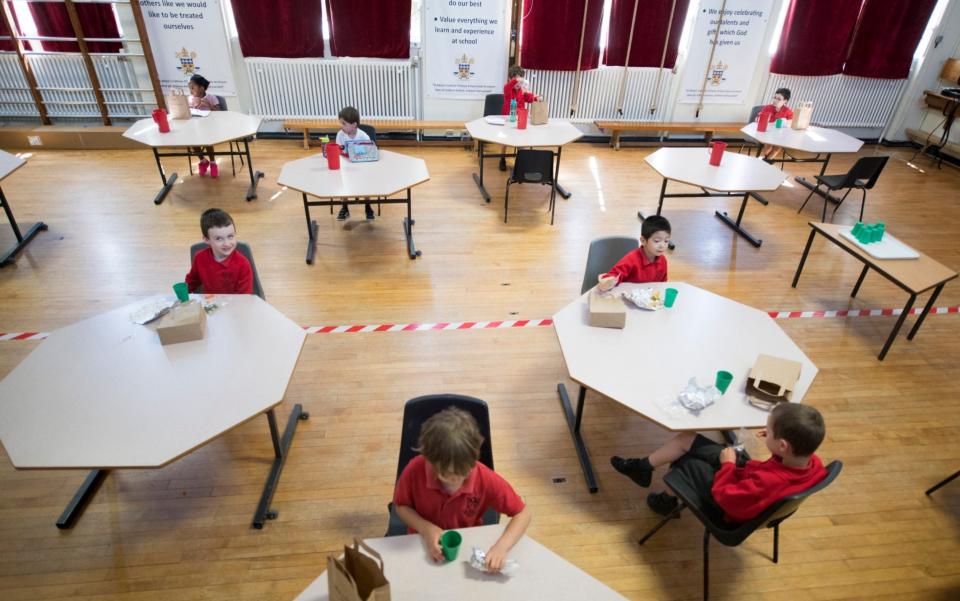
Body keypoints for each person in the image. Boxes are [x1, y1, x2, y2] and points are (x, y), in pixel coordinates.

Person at [611, 403, 827, 522]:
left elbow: (727, 498)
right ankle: (643, 467)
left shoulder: (768, 481)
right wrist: (774, 446)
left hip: (727, 502)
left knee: (683, 460)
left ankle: (665, 502)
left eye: (768, 432)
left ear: (782, 445)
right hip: (747, 477)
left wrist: (728, 466)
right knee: (688, 438)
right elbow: (781, 470)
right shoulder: (811, 462)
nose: (765, 433)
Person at [393, 407, 532, 573]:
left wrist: (500, 548)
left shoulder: (484, 477)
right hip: (420, 545)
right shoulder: (414, 470)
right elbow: (401, 507)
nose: (457, 481)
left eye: (464, 472)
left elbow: (523, 514)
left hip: (465, 549)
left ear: (474, 458)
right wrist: (426, 529)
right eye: (449, 474)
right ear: (429, 460)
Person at [185, 208, 253, 295]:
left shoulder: (243, 265)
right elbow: (192, 282)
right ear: (206, 240)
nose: (227, 243)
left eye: (230, 236)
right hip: (211, 304)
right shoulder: (199, 258)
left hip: (235, 306)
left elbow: (245, 297)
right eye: (219, 239)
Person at [597, 216, 671, 292]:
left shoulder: (663, 261)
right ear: (643, 240)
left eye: (666, 241)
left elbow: (662, 284)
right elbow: (612, 276)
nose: (662, 245)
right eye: (657, 241)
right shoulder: (631, 259)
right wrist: (607, 282)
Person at [335, 106, 374, 221]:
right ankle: (344, 207)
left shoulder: (363, 136)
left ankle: (368, 206)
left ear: (354, 125)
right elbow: (338, 151)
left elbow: (369, 151)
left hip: (361, 167)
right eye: (341, 123)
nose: (341, 127)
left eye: (344, 124)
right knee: (343, 184)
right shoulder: (340, 135)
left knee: (366, 184)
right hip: (346, 167)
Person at [498, 65, 541, 171]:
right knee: (505, 140)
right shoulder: (507, 88)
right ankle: (502, 158)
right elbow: (510, 85)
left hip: (520, 119)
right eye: (516, 80)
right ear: (510, 79)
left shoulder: (522, 90)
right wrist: (516, 80)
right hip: (507, 119)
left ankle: (521, 161)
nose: (518, 84)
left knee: (521, 140)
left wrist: (536, 97)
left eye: (520, 81)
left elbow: (529, 98)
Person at [187, 75, 221, 177]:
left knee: (207, 141)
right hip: (196, 126)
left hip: (210, 126)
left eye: (193, 87)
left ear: (201, 88)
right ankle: (202, 160)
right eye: (189, 87)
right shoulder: (191, 99)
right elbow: (188, 112)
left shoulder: (211, 97)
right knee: (191, 140)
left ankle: (212, 162)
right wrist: (194, 107)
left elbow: (219, 113)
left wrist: (209, 106)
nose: (190, 90)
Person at [757, 88, 794, 162]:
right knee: (768, 146)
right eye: (775, 98)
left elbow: (791, 124)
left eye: (779, 99)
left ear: (785, 101)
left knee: (777, 147)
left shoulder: (788, 112)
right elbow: (758, 119)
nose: (775, 100)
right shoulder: (768, 108)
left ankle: (766, 161)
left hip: (780, 136)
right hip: (766, 134)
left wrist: (786, 123)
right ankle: (766, 160)